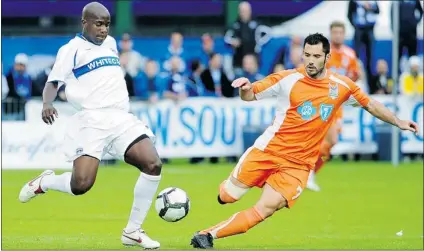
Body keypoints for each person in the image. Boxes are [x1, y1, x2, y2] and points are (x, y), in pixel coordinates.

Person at [190, 33, 419, 249]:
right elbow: (250, 94)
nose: (310, 60)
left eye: (316, 56)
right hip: (267, 151)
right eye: (307, 55)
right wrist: (244, 88)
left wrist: (398, 121)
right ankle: (215, 199)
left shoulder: (341, 86)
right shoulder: (288, 79)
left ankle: (207, 235)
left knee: (267, 208)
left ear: (327, 58)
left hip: (298, 166)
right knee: (227, 196)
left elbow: (371, 105)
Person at [17, 2, 161, 249]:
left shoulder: (111, 43)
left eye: (107, 24)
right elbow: (53, 82)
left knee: (153, 164)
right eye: (98, 24)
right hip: (91, 121)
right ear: (84, 23)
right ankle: (45, 182)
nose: (104, 29)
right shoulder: (71, 49)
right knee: (81, 185)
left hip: (120, 118)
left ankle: (132, 231)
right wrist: (46, 104)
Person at [307, 21, 360, 192]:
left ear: (344, 35)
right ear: (330, 34)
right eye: (335, 32)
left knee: (328, 144)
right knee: (329, 140)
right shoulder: (323, 53)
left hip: (337, 105)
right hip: (321, 102)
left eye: (340, 32)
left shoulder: (350, 55)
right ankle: (308, 173)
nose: (337, 35)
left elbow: (353, 76)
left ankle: (308, 172)